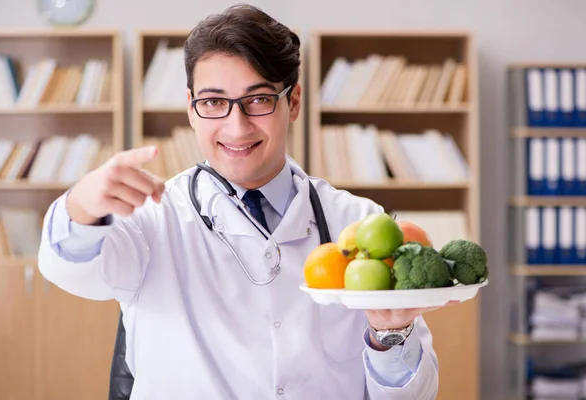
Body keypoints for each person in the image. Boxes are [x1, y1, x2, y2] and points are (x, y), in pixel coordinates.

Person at [38, 4, 450, 399]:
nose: (236, 128)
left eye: (258, 100)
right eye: (214, 102)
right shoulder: (152, 217)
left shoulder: (360, 223)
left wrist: (388, 336)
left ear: (293, 103)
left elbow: (414, 394)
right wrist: (82, 205)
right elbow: (72, 270)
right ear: (191, 109)